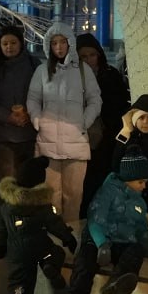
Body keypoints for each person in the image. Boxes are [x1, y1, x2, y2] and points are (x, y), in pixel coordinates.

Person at [56, 149, 148, 294]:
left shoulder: (139, 202)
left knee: (135, 253)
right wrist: (101, 243)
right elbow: (95, 219)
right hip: (97, 241)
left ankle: (117, 284)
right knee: (83, 267)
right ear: (128, 179)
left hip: (123, 242)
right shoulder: (107, 192)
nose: (144, 186)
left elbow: (142, 226)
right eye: (140, 182)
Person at [28, 22, 101, 223]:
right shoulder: (42, 70)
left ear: (70, 43)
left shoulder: (83, 70)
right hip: (48, 142)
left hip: (76, 142)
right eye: (54, 43)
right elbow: (33, 98)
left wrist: (84, 122)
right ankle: (52, 236)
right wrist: (37, 120)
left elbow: (95, 100)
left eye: (62, 42)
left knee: (73, 197)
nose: (59, 47)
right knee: (50, 197)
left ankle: (71, 236)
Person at [0, 156, 78, 294]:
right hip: (39, 246)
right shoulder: (41, 206)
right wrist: (68, 238)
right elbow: (54, 224)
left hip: (17, 252)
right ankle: (49, 264)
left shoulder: (5, 206)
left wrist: (0, 246)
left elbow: (2, 230)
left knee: (19, 283)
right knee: (55, 253)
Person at [76, 32, 130, 217]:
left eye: (92, 55)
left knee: (101, 178)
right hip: (81, 136)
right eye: (83, 56)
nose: (89, 59)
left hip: (107, 136)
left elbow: (119, 104)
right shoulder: (71, 77)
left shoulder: (110, 74)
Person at [0, 25, 39, 189]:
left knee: (28, 179)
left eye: (13, 43)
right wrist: (8, 117)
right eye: (5, 43)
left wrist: (30, 113)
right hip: (3, 135)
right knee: (7, 179)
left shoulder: (34, 65)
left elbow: (42, 93)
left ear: (21, 43)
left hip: (29, 132)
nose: (9, 47)